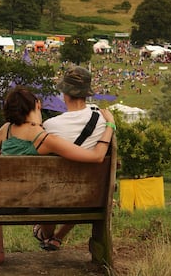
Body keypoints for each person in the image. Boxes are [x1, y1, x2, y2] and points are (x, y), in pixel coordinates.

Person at [0, 86, 116, 264]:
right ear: (37, 105)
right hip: (26, 204)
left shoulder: (6, 130)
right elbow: (96, 156)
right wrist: (110, 125)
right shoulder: (46, 139)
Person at [33, 66, 110, 252]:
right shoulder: (103, 121)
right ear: (87, 93)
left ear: (65, 93)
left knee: (51, 188)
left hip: (54, 198)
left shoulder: (51, 125)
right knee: (82, 184)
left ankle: (46, 234)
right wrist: (111, 123)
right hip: (90, 196)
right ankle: (55, 237)